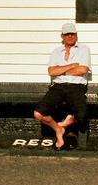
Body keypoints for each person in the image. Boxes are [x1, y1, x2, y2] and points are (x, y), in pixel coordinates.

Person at [33, 22, 91, 150]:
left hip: (76, 87)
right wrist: (71, 66)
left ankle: (67, 122)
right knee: (38, 113)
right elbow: (51, 71)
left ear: (76, 35)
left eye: (72, 34)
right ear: (62, 36)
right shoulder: (56, 51)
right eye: (67, 34)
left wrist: (60, 70)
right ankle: (58, 129)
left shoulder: (84, 49)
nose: (70, 36)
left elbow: (82, 70)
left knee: (82, 115)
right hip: (58, 87)